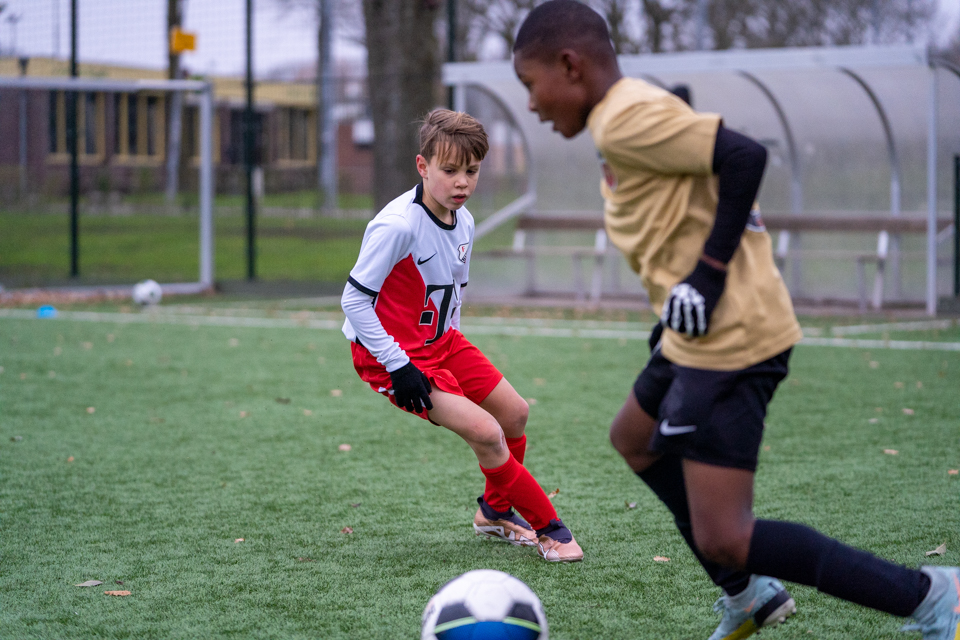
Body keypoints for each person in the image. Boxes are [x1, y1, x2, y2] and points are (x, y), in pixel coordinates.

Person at [512, 1, 959, 638]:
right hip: (692, 337)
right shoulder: (623, 117)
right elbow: (687, 205)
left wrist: (708, 275)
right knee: (634, 439)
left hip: (732, 340)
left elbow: (744, 156)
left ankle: (932, 596)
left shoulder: (626, 116)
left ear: (570, 66)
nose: (531, 104)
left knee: (726, 535)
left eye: (531, 86)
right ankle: (749, 598)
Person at [340, 108, 583, 563]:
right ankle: (552, 532)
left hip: (441, 342)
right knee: (487, 433)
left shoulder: (464, 221)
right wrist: (399, 366)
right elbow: (354, 302)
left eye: (471, 171)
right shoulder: (397, 226)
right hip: (390, 356)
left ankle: (493, 513)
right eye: (449, 171)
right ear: (422, 166)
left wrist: (455, 353)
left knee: (514, 414)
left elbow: (452, 296)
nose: (461, 182)